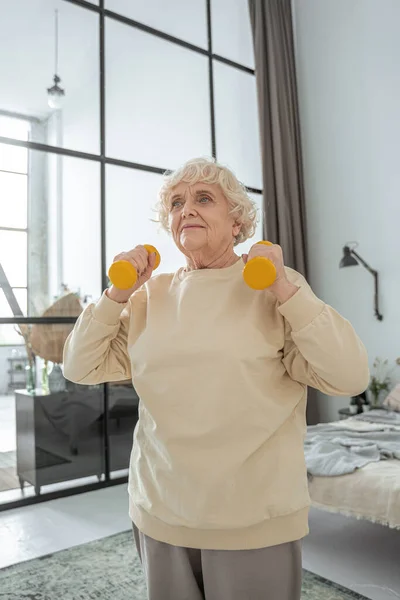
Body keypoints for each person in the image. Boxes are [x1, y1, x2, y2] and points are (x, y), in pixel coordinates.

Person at [63, 157, 369, 600]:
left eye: (203, 199)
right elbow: (80, 365)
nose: (185, 210)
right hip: (161, 510)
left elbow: (349, 375)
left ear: (238, 221)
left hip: (251, 519)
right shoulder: (150, 296)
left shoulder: (273, 288)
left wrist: (284, 289)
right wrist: (116, 295)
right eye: (175, 202)